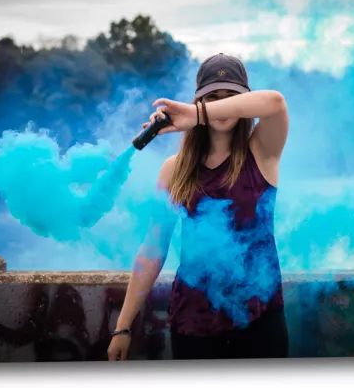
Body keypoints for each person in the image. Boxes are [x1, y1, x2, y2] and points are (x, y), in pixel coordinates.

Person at [107, 53, 289, 361]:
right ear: (199, 98)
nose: (220, 105)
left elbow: (275, 103)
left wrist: (198, 113)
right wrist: (123, 327)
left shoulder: (262, 152)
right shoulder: (173, 168)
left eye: (230, 97)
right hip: (193, 325)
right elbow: (153, 248)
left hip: (260, 322)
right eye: (212, 96)